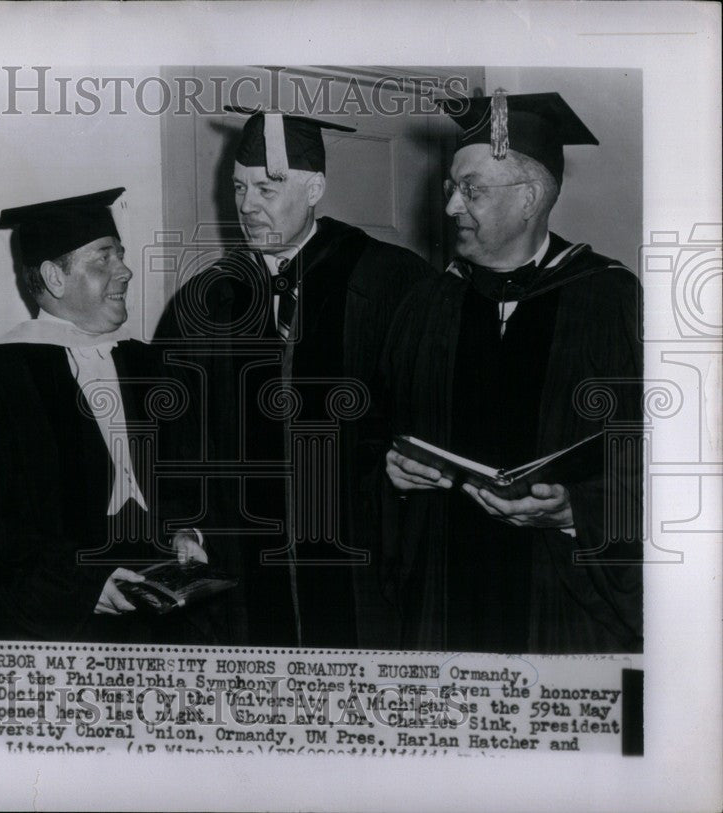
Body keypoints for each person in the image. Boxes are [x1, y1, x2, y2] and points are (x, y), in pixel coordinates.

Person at [155, 108, 430, 648]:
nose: (247, 206)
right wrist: (182, 519)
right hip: (244, 555)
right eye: (239, 188)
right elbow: (175, 429)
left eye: (267, 187)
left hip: (362, 553)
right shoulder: (206, 298)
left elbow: (427, 416)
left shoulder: (392, 279)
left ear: (314, 189)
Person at [382, 91, 643, 654]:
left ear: (528, 200)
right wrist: (394, 474)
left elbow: (652, 460)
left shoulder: (609, 302)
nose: (451, 207)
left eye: (471, 189)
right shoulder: (428, 304)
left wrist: (579, 511)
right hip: (445, 595)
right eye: (452, 187)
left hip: (560, 596)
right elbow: (384, 429)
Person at [0, 188, 207, 643]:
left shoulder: (152, 365)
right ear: (53, 277)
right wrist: (83, 586)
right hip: (66, 623)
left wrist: (186, 531)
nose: (125, 270)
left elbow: (185, 475)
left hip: (167, 623)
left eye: (119, 255)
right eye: (103, 258)